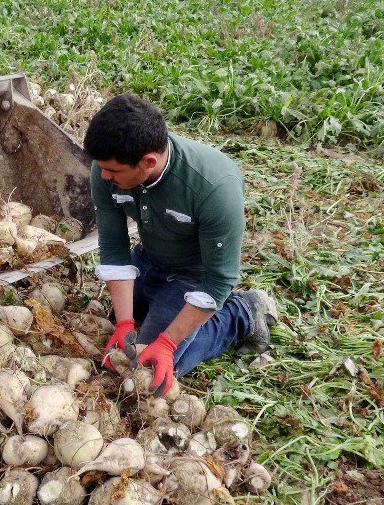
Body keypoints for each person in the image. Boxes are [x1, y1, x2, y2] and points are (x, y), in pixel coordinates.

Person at [84, 94, 277, 396]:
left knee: (150, 372)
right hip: (148, 260)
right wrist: (124, 324)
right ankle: (155, 302)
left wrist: (168, 343)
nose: (104, 176)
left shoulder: (214, 188)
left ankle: (242, 313)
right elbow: (113, 245)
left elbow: (218, 279)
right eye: (101, 168)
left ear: (148, 162)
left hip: (193, 276)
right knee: (122, 337)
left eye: (113, 172)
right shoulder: (108, 166)